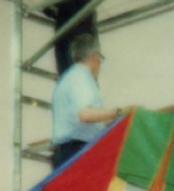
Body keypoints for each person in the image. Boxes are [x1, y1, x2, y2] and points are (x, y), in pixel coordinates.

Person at [51, 33, 123, 170]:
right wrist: (116, 113)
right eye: (100, 59)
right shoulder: (81, 78)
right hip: (78, 151)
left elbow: (86, 119)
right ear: (94, 56)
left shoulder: (68, 79)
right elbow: (85, 114)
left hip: (69, 152)